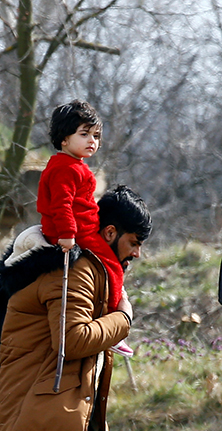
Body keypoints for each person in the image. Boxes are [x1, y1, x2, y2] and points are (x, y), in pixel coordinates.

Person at [0, 185, 151, 431]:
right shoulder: (76, 268)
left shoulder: (94, 267)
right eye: (134, 242)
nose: (137, 253)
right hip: (44, 404)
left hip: (67, 407)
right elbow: (73, 340)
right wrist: (123, 318)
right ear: (109, 232)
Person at [38, 99, 133, 356]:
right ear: (64, 139)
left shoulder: (73, 165)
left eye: (96, 136)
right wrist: (67, 234)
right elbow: (61, 204)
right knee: (113, 266)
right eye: (84, 134)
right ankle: (112, 320)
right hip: (78, 233)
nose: (92, 141)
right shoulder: (65, 169)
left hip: (82, 229)